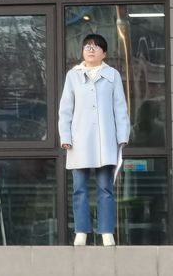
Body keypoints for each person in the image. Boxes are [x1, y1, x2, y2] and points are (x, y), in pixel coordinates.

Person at [58, 33, 129, 247]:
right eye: (87, 46)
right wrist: (65, 136)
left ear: (104, 53)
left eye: (96, 46)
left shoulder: (112, 75)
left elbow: (120, 108)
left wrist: (122, 136)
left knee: (105, 188)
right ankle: (81, 231)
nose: (90, 49)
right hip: (79, 141)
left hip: (105, 140)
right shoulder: (73, 75)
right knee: (79, 188)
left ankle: (106, 231)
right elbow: (65, 109)